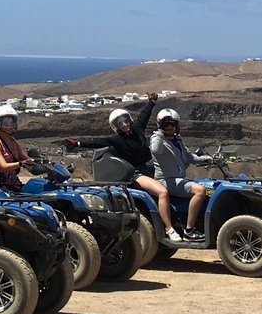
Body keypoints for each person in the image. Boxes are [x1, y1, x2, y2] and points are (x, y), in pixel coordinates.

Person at [64, 93, 183, 243]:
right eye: (120, 123)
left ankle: (180, 222)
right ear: (116, 126)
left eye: (125, 120)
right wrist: (78, 144)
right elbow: (98, 142)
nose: (125, 124)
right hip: (136, 173)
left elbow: (144, 115)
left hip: (152, 169)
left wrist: (151, 101)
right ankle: (169, 229)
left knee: (176, 186)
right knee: (163, 192)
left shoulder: (138, 129)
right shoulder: (117, 140)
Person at [150, 108, 214, 240]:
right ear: (160, 125)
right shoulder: (157, 139)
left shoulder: (178, 141)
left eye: (172, 124)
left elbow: (190, 158)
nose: (169, 127)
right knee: (200, 190)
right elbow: (156, 150)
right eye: (166, 124)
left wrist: (208, 159)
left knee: (210, 189)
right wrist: (160, 132)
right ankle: (189, 230)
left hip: (178, 179)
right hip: (166, 180)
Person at [0, 103, 31, 190]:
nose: (9, 126)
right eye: (5, 123)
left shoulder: (13, 141)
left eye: (12, 122)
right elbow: (3, 166)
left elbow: (24, 157)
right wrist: (20, 163)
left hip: (13, 182)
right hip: (1, 185)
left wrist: (39, 162)